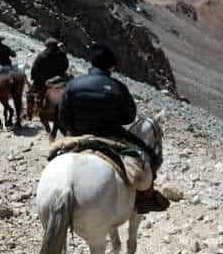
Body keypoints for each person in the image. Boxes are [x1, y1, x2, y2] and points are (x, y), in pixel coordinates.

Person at [58, 43, 157, 213]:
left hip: (79, 136)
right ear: (111, 66)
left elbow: (63, 118)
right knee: (147, 154)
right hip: (112, 136)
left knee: (54, 156)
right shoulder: (117, 87)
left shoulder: (73, 85)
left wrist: (74, 131)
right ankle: (143, 199)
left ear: (92, 63)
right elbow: (129, 118)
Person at [30, 38, 70, 105]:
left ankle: (29, 110)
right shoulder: (63, 56)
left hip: (41, 80)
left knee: (30, 94)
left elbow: (35, 68)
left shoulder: (42, 55)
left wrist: (33, 77)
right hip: (55, 81)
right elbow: (65, 68)